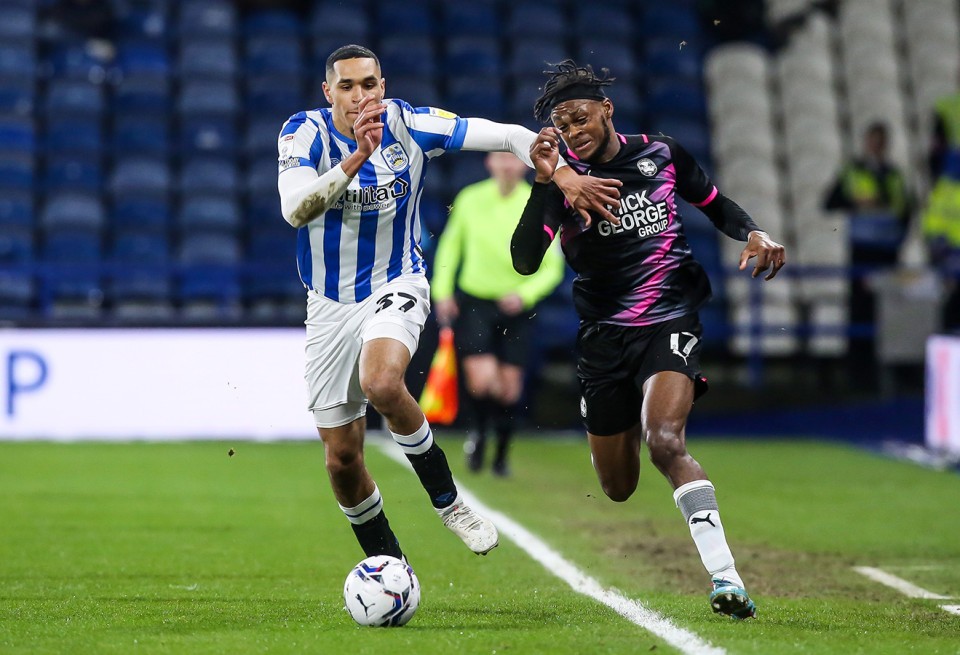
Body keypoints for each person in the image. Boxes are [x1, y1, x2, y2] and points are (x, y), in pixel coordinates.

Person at [276, 45, 620, 563]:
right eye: (346, 86)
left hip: (397, 282)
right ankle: (389, 563)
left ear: (382, 86)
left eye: (369, 84)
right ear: (329, 93)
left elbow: (507, 136)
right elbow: (294, 210)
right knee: (342, 460)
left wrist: (565, 174)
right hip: (327, 306)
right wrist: (357, 158)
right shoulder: (302, 133)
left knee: (383, 381)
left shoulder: (411, 125)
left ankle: (449, 500)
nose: (360, 96)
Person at [511, 60, 787, 619]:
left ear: (606, 110)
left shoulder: (662, 154)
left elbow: (715, 205)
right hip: (604, 340)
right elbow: (523, 260)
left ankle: (726, 578)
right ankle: (621, 418)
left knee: (665, 440)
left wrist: (755, 230)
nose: (574, 130)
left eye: (581, 117)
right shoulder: (565, 184)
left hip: (670, 319)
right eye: (562, 125)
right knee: (617, 486)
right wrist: (546, 183)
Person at [431, 152, 565, 476]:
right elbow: (451, 246)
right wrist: (442, 290)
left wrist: (524, 294)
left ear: (524, 164)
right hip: (476, 300)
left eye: (512, 159)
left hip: (517, 306)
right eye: (500, 158)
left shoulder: (538, 204)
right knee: (483, 379)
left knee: (509, 389)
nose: (506, 165)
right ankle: (477, 433)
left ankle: (501, 455)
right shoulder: (470, 198)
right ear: (489, 162)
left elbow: (554, 265)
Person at [824, 121, 911, 383]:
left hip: (888, 252)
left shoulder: (894, 174)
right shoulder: (853, 171)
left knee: (888, 312)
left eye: (881, 141)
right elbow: (830, 202)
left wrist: (898, 241)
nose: (877, 146)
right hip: (863, 251)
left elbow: (905, 211)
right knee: (861, 310)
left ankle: (887, 372)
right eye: (873, 140)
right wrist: (856, 202)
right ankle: (859, 374)